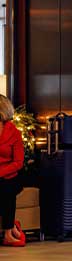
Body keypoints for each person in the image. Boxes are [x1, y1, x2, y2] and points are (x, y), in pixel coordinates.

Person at [0, 95, 25, 247]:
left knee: (7, 188)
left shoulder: (14, 132)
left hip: (11, 175)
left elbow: (18, 162)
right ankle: (12, 227)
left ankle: (8, 233)